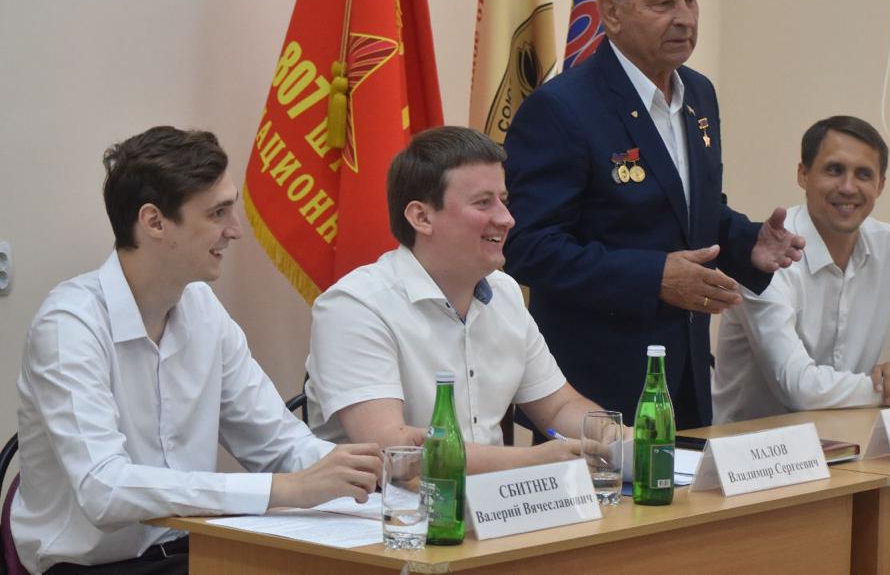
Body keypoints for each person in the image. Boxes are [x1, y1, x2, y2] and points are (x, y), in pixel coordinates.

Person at [12, 127, 382, 575]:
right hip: (92, 567)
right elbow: (103, 489)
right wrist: (286, 490)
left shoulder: (204, 310)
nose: (235, 230)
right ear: (154, 222)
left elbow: (277, 441)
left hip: (192, 553)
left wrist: (372, 474)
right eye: (218, 213)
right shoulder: (68, 325)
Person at [502, 0, 804, 429]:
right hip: (595, 390)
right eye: (664, 3)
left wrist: (747, 242)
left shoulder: (699, 94)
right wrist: (653, 277)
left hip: (685, 377)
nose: (685, 18)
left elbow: (692, 213)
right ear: (611, 12)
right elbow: (527, 247)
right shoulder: (562, 109)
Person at [305, 126, 611, 473]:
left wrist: (620, 439)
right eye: (483, 203)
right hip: (385, 503)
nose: (507, 219)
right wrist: (532, 461)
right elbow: (394, 451)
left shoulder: (505, 292)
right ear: (422, 217)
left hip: (494, 499)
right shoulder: (355, 306)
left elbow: (558, 407)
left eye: (504, 200)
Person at [713, 116, 890, 423]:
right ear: (803, 175)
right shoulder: (768, 254)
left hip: (847, 440)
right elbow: (799, 389)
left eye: (863, 174)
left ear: (880, 186)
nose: (848, 187)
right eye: (834, 170)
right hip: (754, 446)